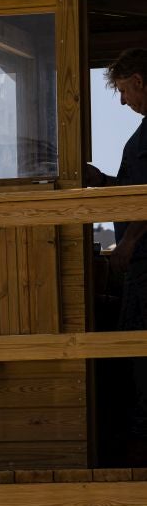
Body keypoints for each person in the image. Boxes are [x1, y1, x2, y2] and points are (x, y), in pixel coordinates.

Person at [86, 48, 147, 456]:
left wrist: (126, 244)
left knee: (138, 351)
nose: (124, 101)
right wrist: (103, 181)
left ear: (139, 82)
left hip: (145, 264)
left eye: (124, 91)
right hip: (141, 262)